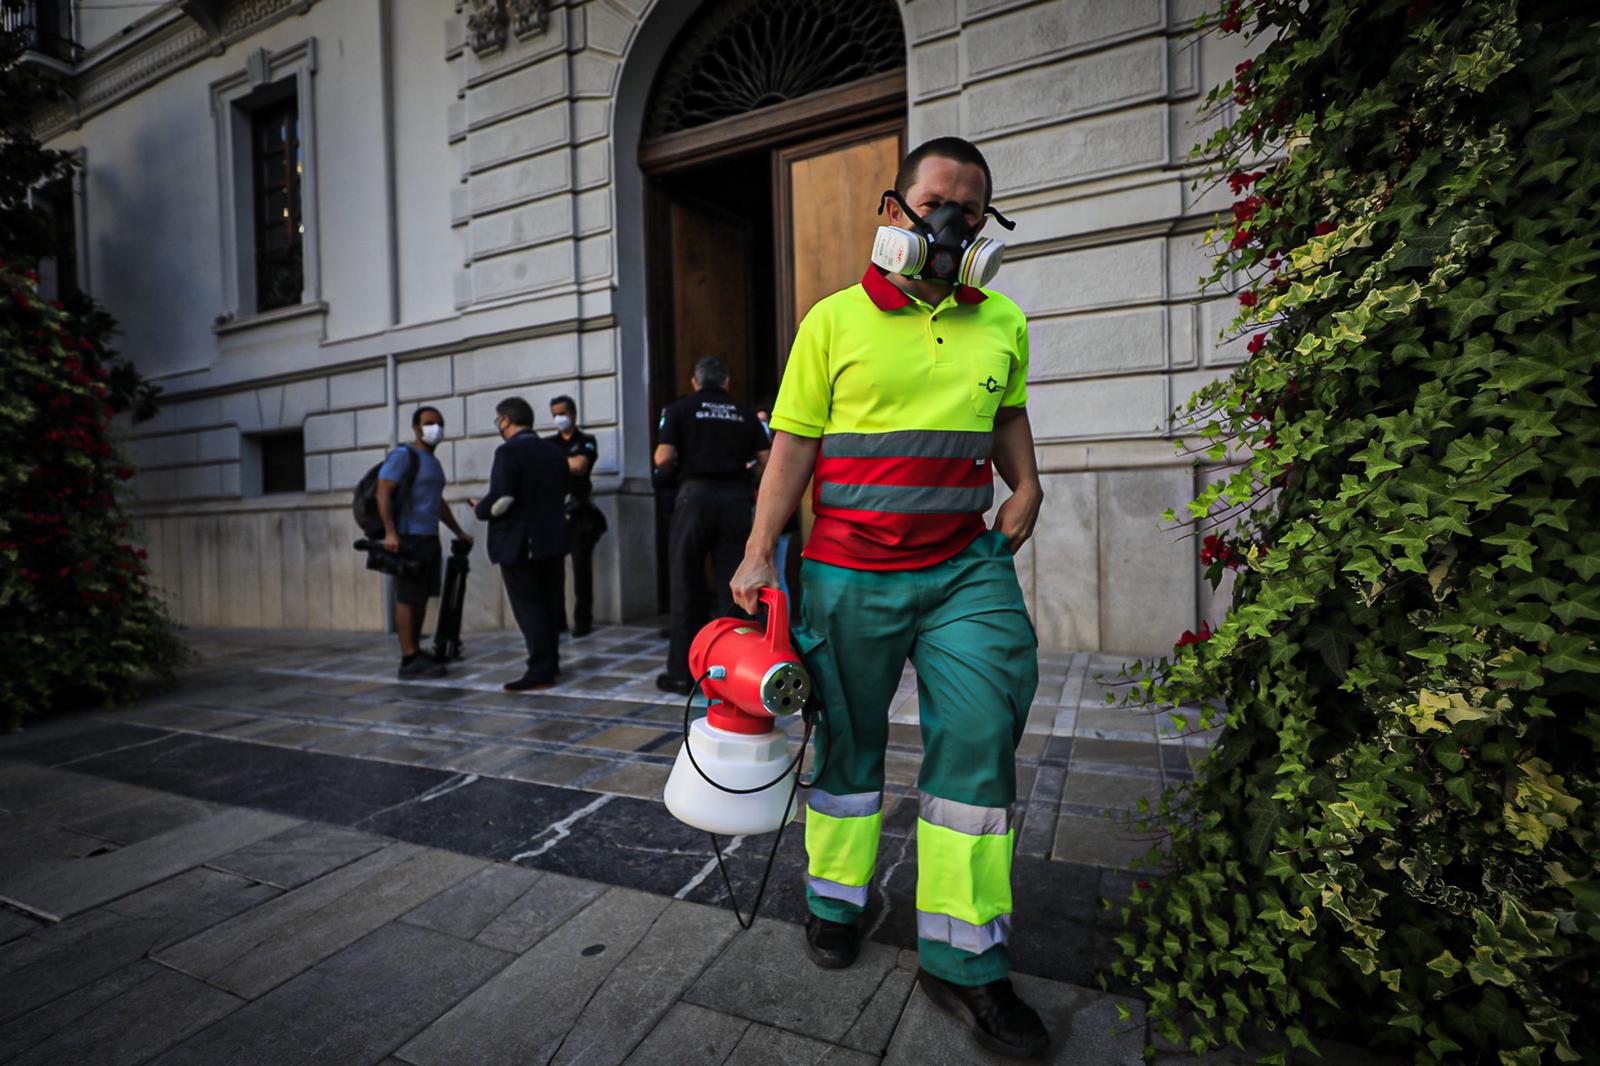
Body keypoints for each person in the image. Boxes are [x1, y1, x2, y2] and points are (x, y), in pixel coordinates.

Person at [728, 137, 1049, 1058]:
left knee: (982, 733)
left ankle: (966, 962)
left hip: (963, 568)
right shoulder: (832, 321)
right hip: (848, 569)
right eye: (935, 201)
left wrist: (1027, 484)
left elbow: (1007, 414)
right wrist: (757, 553)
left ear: (986, 226)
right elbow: (793, 444)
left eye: (970, 209)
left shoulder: (1003, 321)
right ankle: (836, 902)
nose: (951, 221)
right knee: (847, 741)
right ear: (894, 211)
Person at [653, 356, 770, 695]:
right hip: (735, 501)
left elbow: (663, 457)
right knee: (734, 589)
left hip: (694, 498)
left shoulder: (679, 408)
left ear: (695, 381)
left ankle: (681, 674)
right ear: (727, 381)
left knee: (685, 586)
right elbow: (766, 462)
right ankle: (736, 670)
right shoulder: (744, 413)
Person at [471, 397, 570, 691]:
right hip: (553, 539)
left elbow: (502, 499)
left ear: (505, 420)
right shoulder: (554, 451)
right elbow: (565, 492)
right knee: (550, 606)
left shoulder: (508, 451)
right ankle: (550, 663)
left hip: (519, 542)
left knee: (529, 608)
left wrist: (480, 508)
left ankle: (540, 670)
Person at [377, 405, 473, 681]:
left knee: (421, 597)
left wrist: (458, 531)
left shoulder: (433, 462)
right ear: (416, 428)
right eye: (430, 423)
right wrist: (390, 532)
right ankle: (408, 659)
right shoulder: (403, 456)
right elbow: (383, 492)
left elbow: (437, 502)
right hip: (408, 538)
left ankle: (416, 651)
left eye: (440, 423)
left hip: (429, 538)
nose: (436, 428)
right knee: (407, 597)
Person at [547, 394, 603, 638]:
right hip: (555, 513)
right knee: (554, 571)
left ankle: (583, 620)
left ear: (573, 414)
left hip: (579, 512)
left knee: (582, 569)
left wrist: (553, 460)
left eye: (562, 413)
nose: (558, 418)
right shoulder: (549, 443)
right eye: (554, 414)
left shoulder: (586, 440)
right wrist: (565, 461)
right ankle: (558, 620)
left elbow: (580, 466)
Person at [753, 401, 799, 600]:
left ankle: (780, 618)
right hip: (758, 516)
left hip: (780, 520)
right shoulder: (756, 448)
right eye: (758, 423)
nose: (762, 428)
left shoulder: (781, 451)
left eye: (765, 423)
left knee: (777, 572)